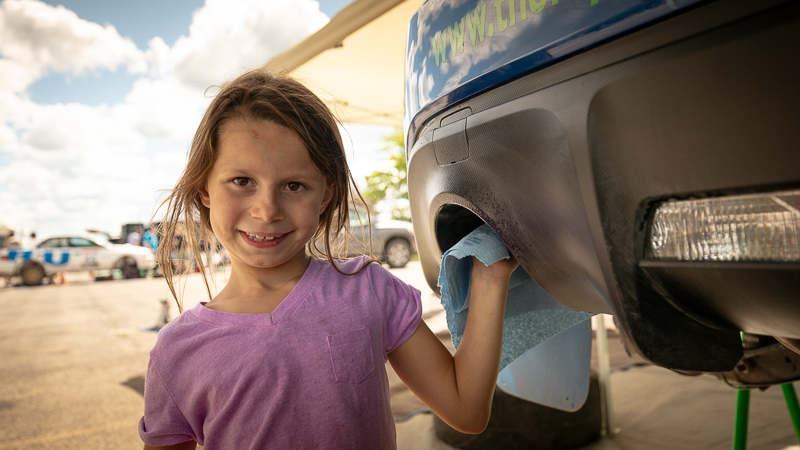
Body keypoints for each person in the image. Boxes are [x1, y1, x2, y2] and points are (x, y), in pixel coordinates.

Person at [139, 69, 518, 450]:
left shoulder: (368, 290)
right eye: (242, 181)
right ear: (204, 187)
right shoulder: (178, 351)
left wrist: (490, 276)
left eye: (293, 185)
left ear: (325, 195)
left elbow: (466, 410)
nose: (267, 210)